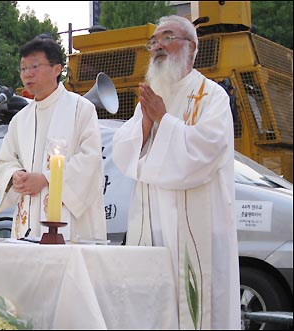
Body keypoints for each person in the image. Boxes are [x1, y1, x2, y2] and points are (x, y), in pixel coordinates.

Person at [112, 15, 240, 329]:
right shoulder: (152, 94)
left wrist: (164, 121)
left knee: (199, 307)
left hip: (199, 228)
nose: (157, 46)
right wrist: (145, 123)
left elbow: (206, 152)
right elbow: (124, 152)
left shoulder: (211, 96)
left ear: (191, 47)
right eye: (153, 41)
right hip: (153, 223)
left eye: (166, 38)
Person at [0, 36, 106, 242]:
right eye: (23, 68)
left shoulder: (81, 109)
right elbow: (4, 160)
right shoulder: (20, 119)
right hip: (28, 216)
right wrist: (15, 175)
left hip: (70, 219)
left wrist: (45, 178)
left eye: (35, 66)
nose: (28, 74)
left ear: (57, 69)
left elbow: (90, 160)